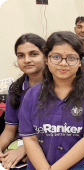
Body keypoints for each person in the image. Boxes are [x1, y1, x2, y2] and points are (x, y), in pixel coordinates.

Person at [19, 31, 84, 170]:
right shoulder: (32, 95)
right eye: (56, 57)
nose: (63, 63)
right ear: (46, 59)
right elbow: (30, 139)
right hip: (42, 164)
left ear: (80, 61)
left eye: (71, 58)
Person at [0, 34, 45, 170]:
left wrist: (26, 149)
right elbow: (9, 129)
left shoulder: (58, 87)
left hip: (52, 146)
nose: (27, 60)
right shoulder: (16, 88)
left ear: (46, 56)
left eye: (33, 54)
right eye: (21, 56)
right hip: (21, 142)